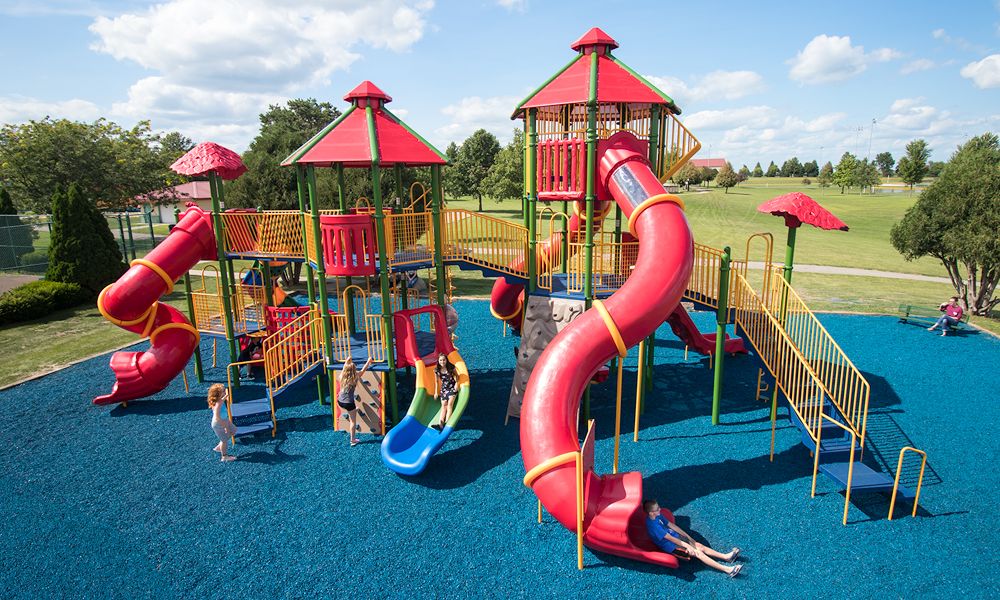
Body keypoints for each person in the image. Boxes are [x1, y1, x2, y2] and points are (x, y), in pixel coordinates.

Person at [643, 500, 742, 578]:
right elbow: (671, 539)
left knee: (698, 545)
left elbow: (671, 525)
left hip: (675, 537)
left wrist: (688, 537)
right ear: (651, 513)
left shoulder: (658, 516)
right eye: (657, 509)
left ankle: (726, 557)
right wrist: (688, 546)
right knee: (698, 553)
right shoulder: (653, 526)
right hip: (672, 547)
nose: (660, 509)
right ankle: (728, 570)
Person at [338, 357, 373, 446]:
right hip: (349, 403)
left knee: (351, 409)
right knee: (353, 422)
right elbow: (363, 369)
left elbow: (344, 367)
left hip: (340, 401)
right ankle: (352, 440)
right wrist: (368, 361)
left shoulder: (342, 375)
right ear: (354, 370)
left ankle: (353, 411)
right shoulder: (355, 377)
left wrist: (347, 361)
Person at [208, 384, 237, 462]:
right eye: (223, 391)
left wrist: (226, 396)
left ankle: (219, 446)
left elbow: (222, 400)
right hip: (219, 423)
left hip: (224, 420)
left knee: (234, 430)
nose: (225, 391)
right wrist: (225, 426)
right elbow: (217, 416)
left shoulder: (220, 400)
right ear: (218, 394)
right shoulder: (218, 404)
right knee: (225, 440)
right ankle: (224, 456)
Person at [432, 353, 458, 431]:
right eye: (440, 360)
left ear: (446, 360)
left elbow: (457, 376)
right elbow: (436, 381)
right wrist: (436, 392)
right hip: (444, 389)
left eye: (444, 360)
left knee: (449, 404)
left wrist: (456, 384)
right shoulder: (436, 370)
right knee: (444, 405)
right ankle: (440, 424)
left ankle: (447, 423)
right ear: (438, 361)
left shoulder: (451, 367)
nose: (442, 362)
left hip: (452, 387)